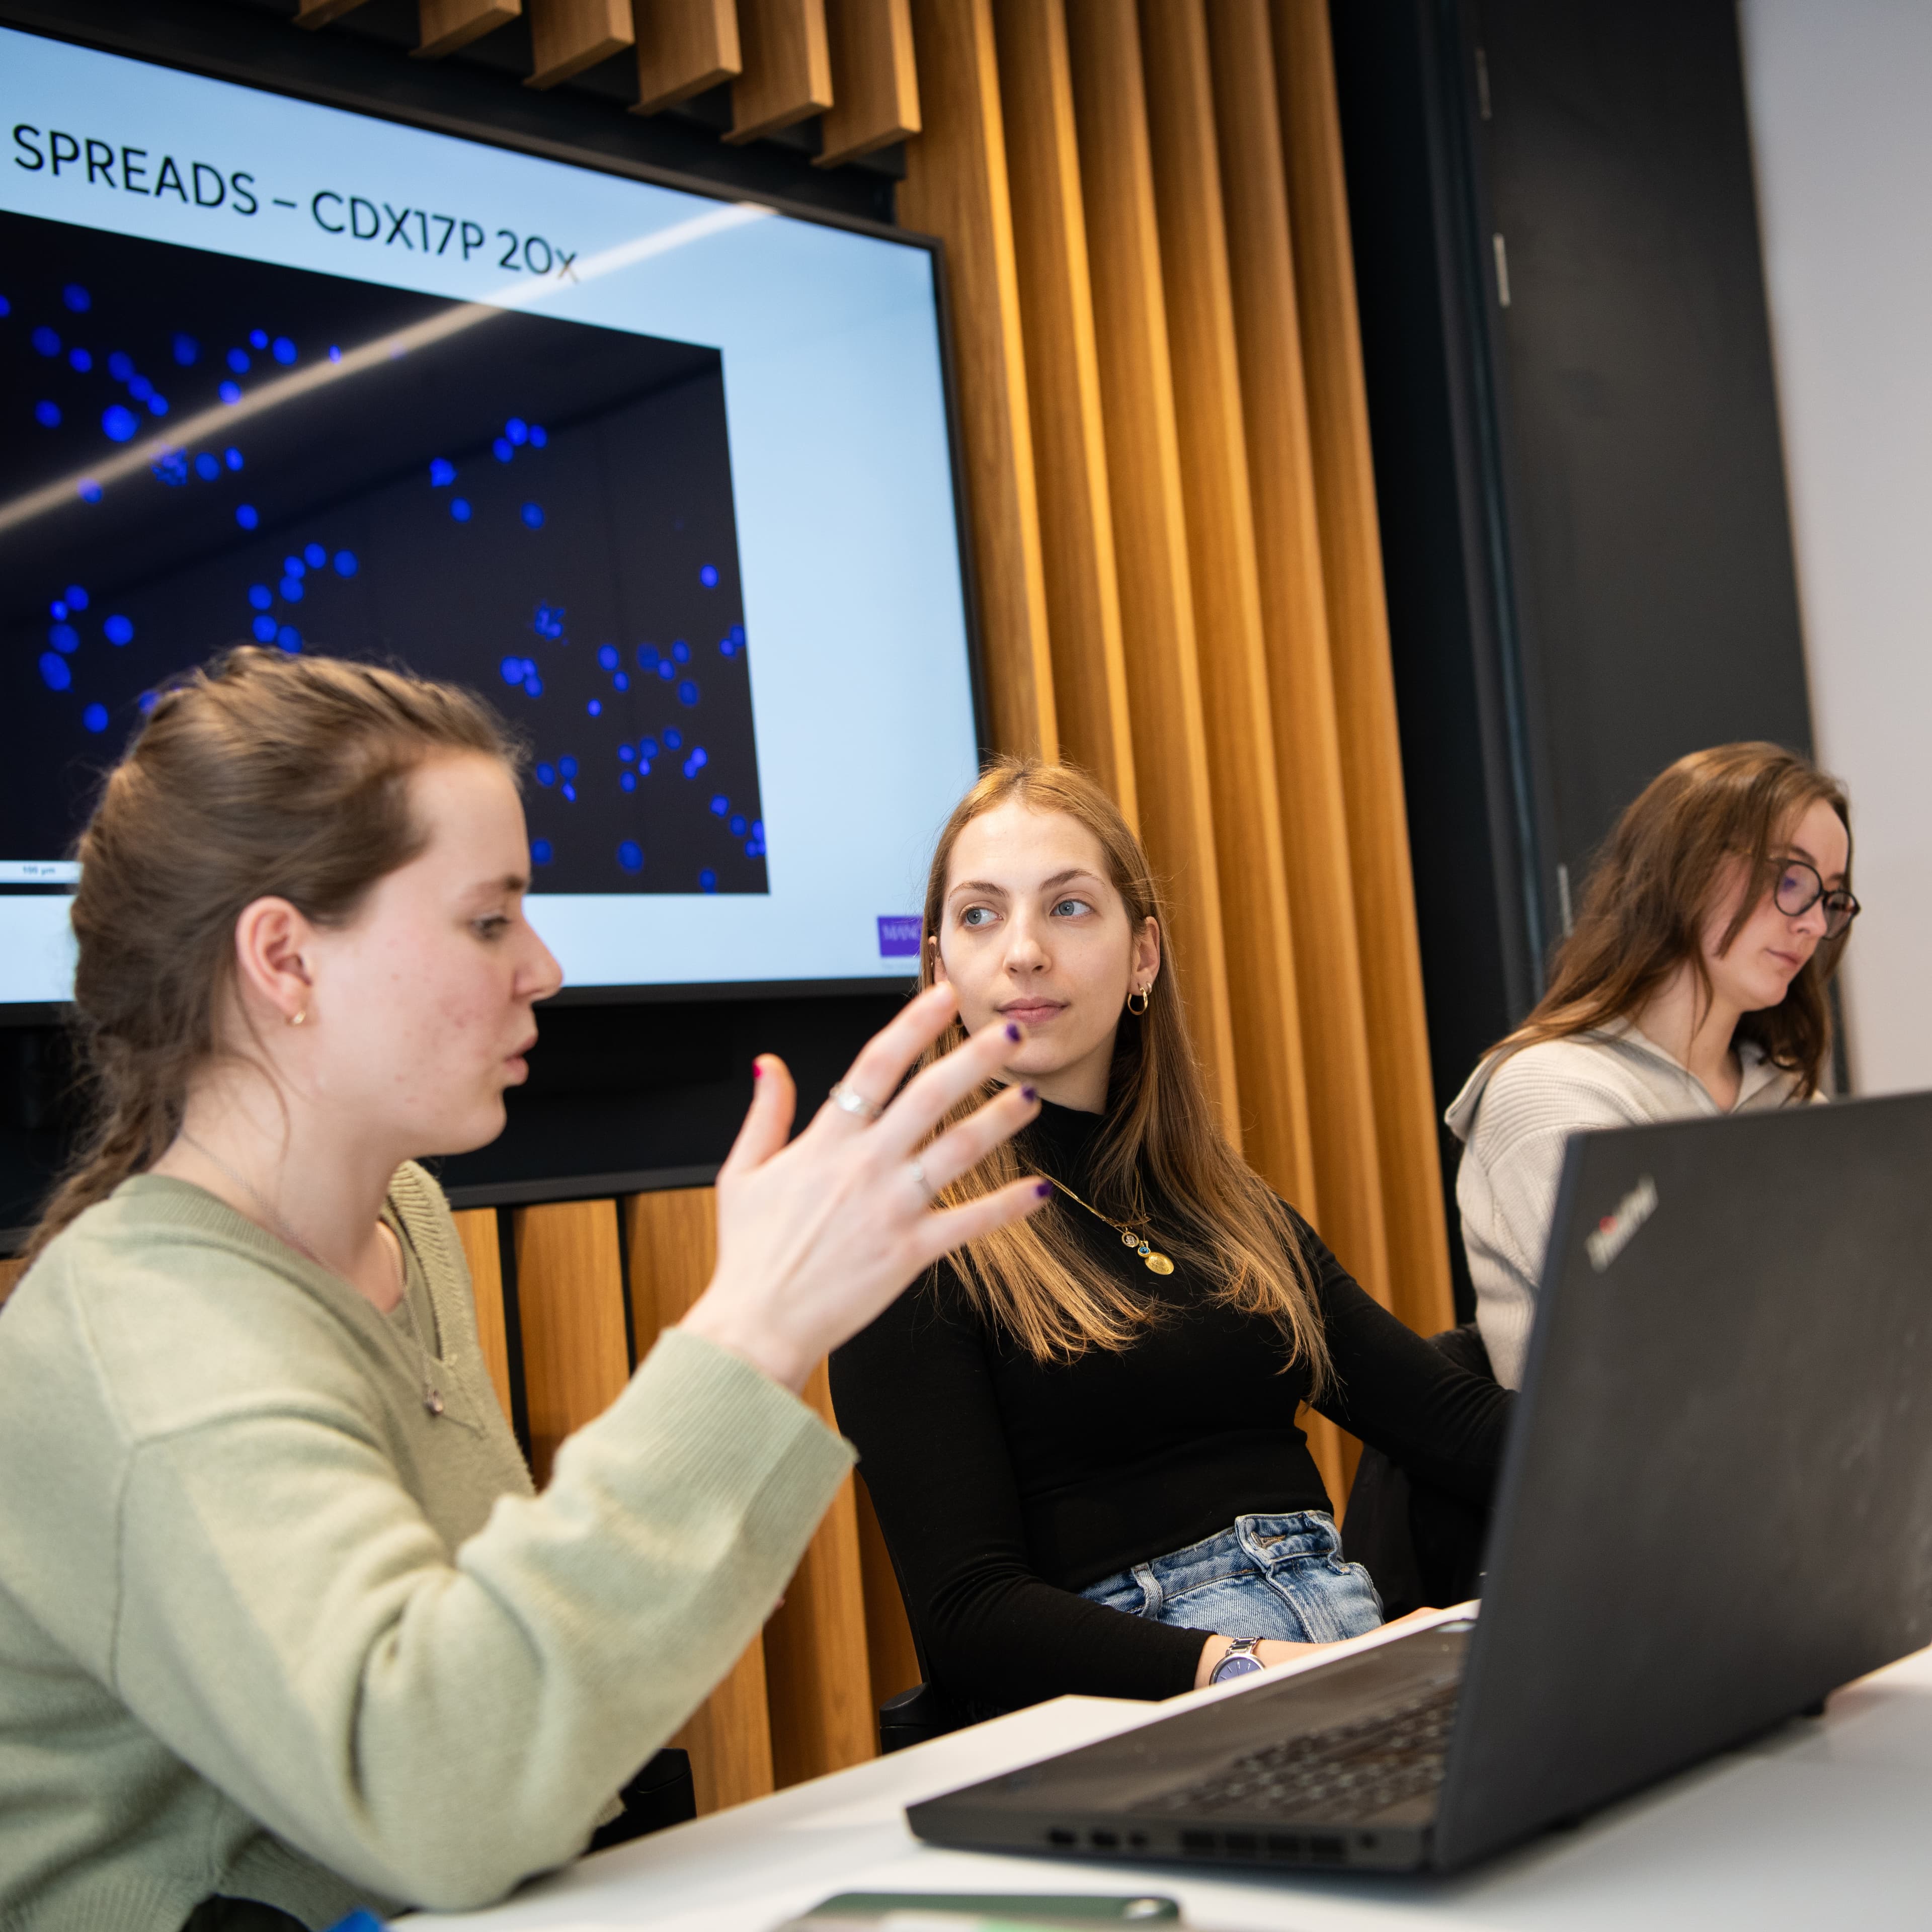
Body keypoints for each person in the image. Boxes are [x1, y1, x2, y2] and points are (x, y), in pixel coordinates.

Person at [0, 649, 1053, 1932]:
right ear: (284, 958)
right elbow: (436, 1793)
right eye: (489, 918)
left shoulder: (406, 1222)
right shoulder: (149, 1325)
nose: (542, 965)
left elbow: (521, 1717)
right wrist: (746, 1334)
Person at [829, 760, 1512, 1719]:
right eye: (980, 916)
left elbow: (1460, 1428)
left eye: (1068, 908)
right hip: (1163, 1710)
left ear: (1144, 955)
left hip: (1350, 1659)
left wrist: (1701, 1449)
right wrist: (1255, 1667)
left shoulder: (1230, 1212)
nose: (1022, 952)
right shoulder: (915, 1237)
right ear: (939, 969)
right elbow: (969, 1619)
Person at [1446, 742, 1857, 1389]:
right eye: (1793, 881)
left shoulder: (1785, 1095)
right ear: (1686, 867)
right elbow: (1676, 1343)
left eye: (1831, 899)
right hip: (1635, 1480)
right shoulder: (1547, 1090)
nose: (1812, 924)